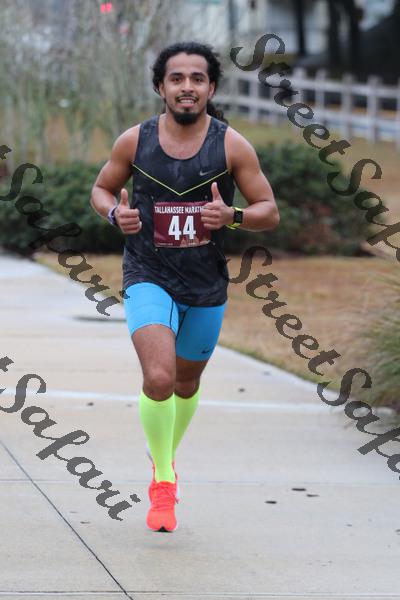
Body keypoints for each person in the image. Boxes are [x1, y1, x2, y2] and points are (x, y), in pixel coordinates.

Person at [90, 41, 279, 533]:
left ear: (211, 87)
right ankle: (164, 479)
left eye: (197, 78)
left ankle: (163, 453)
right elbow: (102, 189)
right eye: (177, 78)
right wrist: (114, 215)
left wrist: (233, 215)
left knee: (185, 383)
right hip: (147, 274)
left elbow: (269, 211)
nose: (187, 86)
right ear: (161, 87)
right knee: (159, 378)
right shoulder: (134, 141)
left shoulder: (232, 145)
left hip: (205, 282)